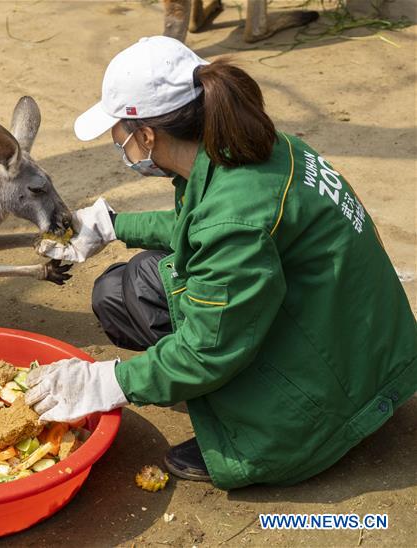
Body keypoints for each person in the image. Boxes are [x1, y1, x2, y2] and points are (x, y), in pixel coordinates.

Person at [26, 36, 416, 489]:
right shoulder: (254, 145)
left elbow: (208, 345)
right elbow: (204, 221)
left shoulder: (235, 217)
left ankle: (279, 432)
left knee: (199, 339)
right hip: (355, 338)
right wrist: (114, 225)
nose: (118, 144)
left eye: (119, 133)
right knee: (121, 291)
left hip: (338, 387)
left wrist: (109, 382)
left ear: (147, 134)